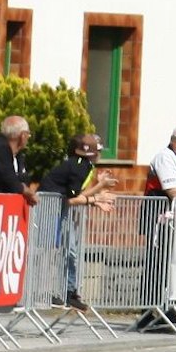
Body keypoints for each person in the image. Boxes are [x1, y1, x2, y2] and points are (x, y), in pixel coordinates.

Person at [41, 133, 116, 310]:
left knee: (71, 251)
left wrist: (97, 192)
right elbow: (72, 199)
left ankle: (69, 292)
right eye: (98, 152)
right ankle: (49, 292)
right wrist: (97, 197)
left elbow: (76, 194)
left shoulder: (83, 165)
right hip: (51, 210)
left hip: (59, 209)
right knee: (48, 252)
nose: (100, 155)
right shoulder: (79, 167)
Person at [0, 116, 34, 202]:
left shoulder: (19, 156)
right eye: (28, 134)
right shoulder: (0, 147)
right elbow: (8, 178)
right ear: (23, 135)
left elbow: (24, 179)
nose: (29, 137)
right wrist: (26, 191)